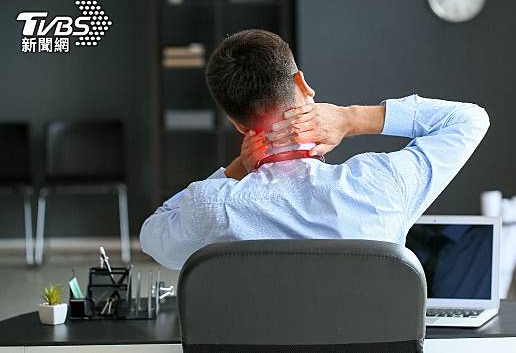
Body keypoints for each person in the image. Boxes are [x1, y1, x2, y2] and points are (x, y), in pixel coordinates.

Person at [140, 29, 490, 270]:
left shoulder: (215, 206)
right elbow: (469, 120)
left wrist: (237, 169)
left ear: (238, 125)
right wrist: (353, 118)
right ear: (302, 84)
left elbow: (153, 234)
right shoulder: (382, 185)